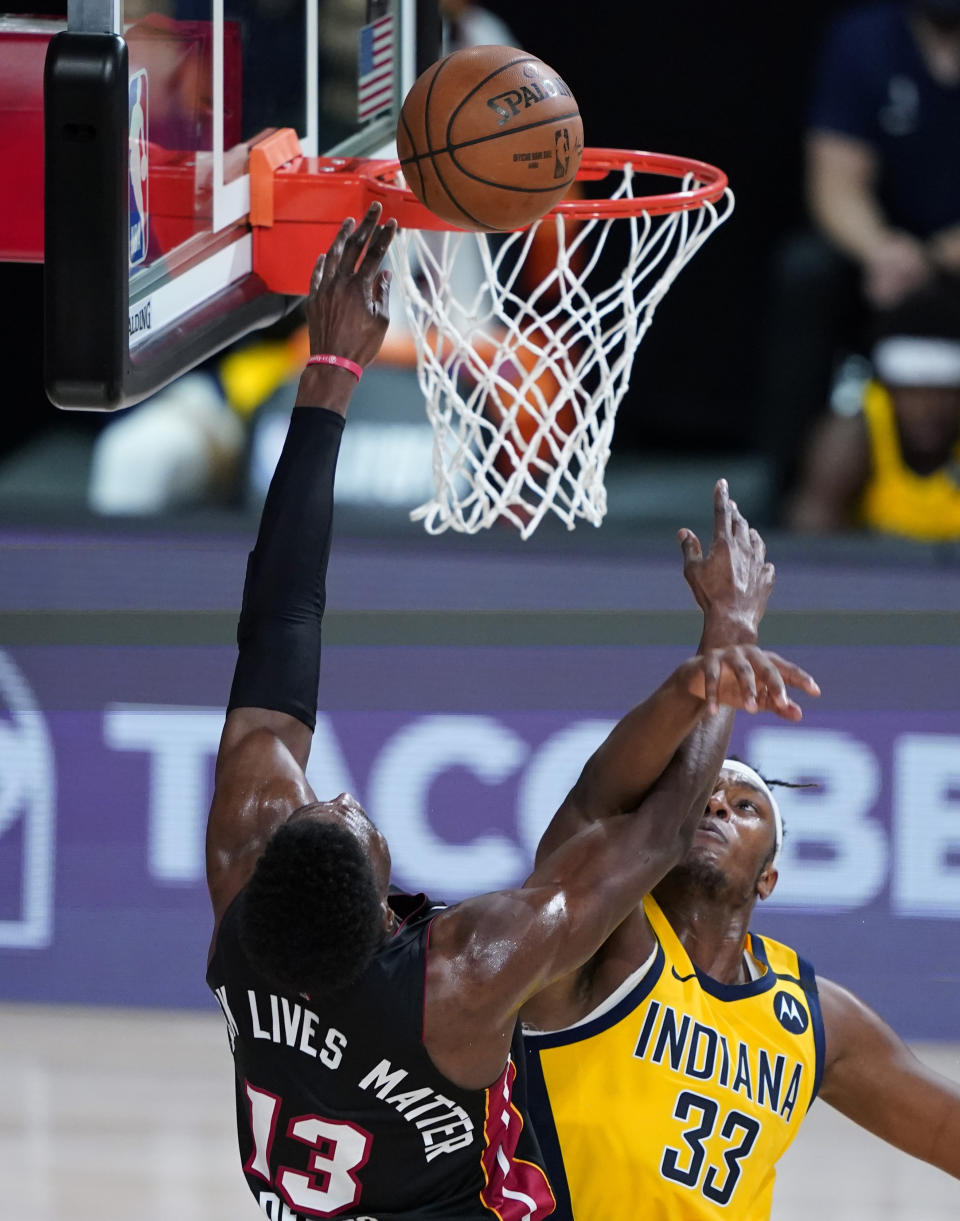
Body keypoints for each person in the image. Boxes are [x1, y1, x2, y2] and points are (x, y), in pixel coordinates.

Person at [202, 202, 819, 1220]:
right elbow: (656, 833)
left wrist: (326, 384)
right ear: (384, 906)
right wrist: (724, 643)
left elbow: (279, 628)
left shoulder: (260, 884)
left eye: (324, 805)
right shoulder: (464, 974)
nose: (345, 798)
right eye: (357, 823)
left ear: (262, 868)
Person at [522, 589, 960, 1215]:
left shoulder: (814, 1017)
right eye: (705, 798)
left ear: (767, 879)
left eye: (745, 806)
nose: (719, 805)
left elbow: (946, 1130)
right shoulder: (603, 935)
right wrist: (723, 640)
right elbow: (597, 802)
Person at [759, 0, 960, 514]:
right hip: (886, 264)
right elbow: (836, 179)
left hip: (947, 258)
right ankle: (779, 491)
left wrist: (940, 254)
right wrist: (880, 249)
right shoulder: (865, 39)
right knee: (806, 270)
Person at [788, 273, 960, 538]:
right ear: (887, 391)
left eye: (944, 394)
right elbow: (813, 549)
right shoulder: (850, 439)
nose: (928, 409)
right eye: (912, 393)